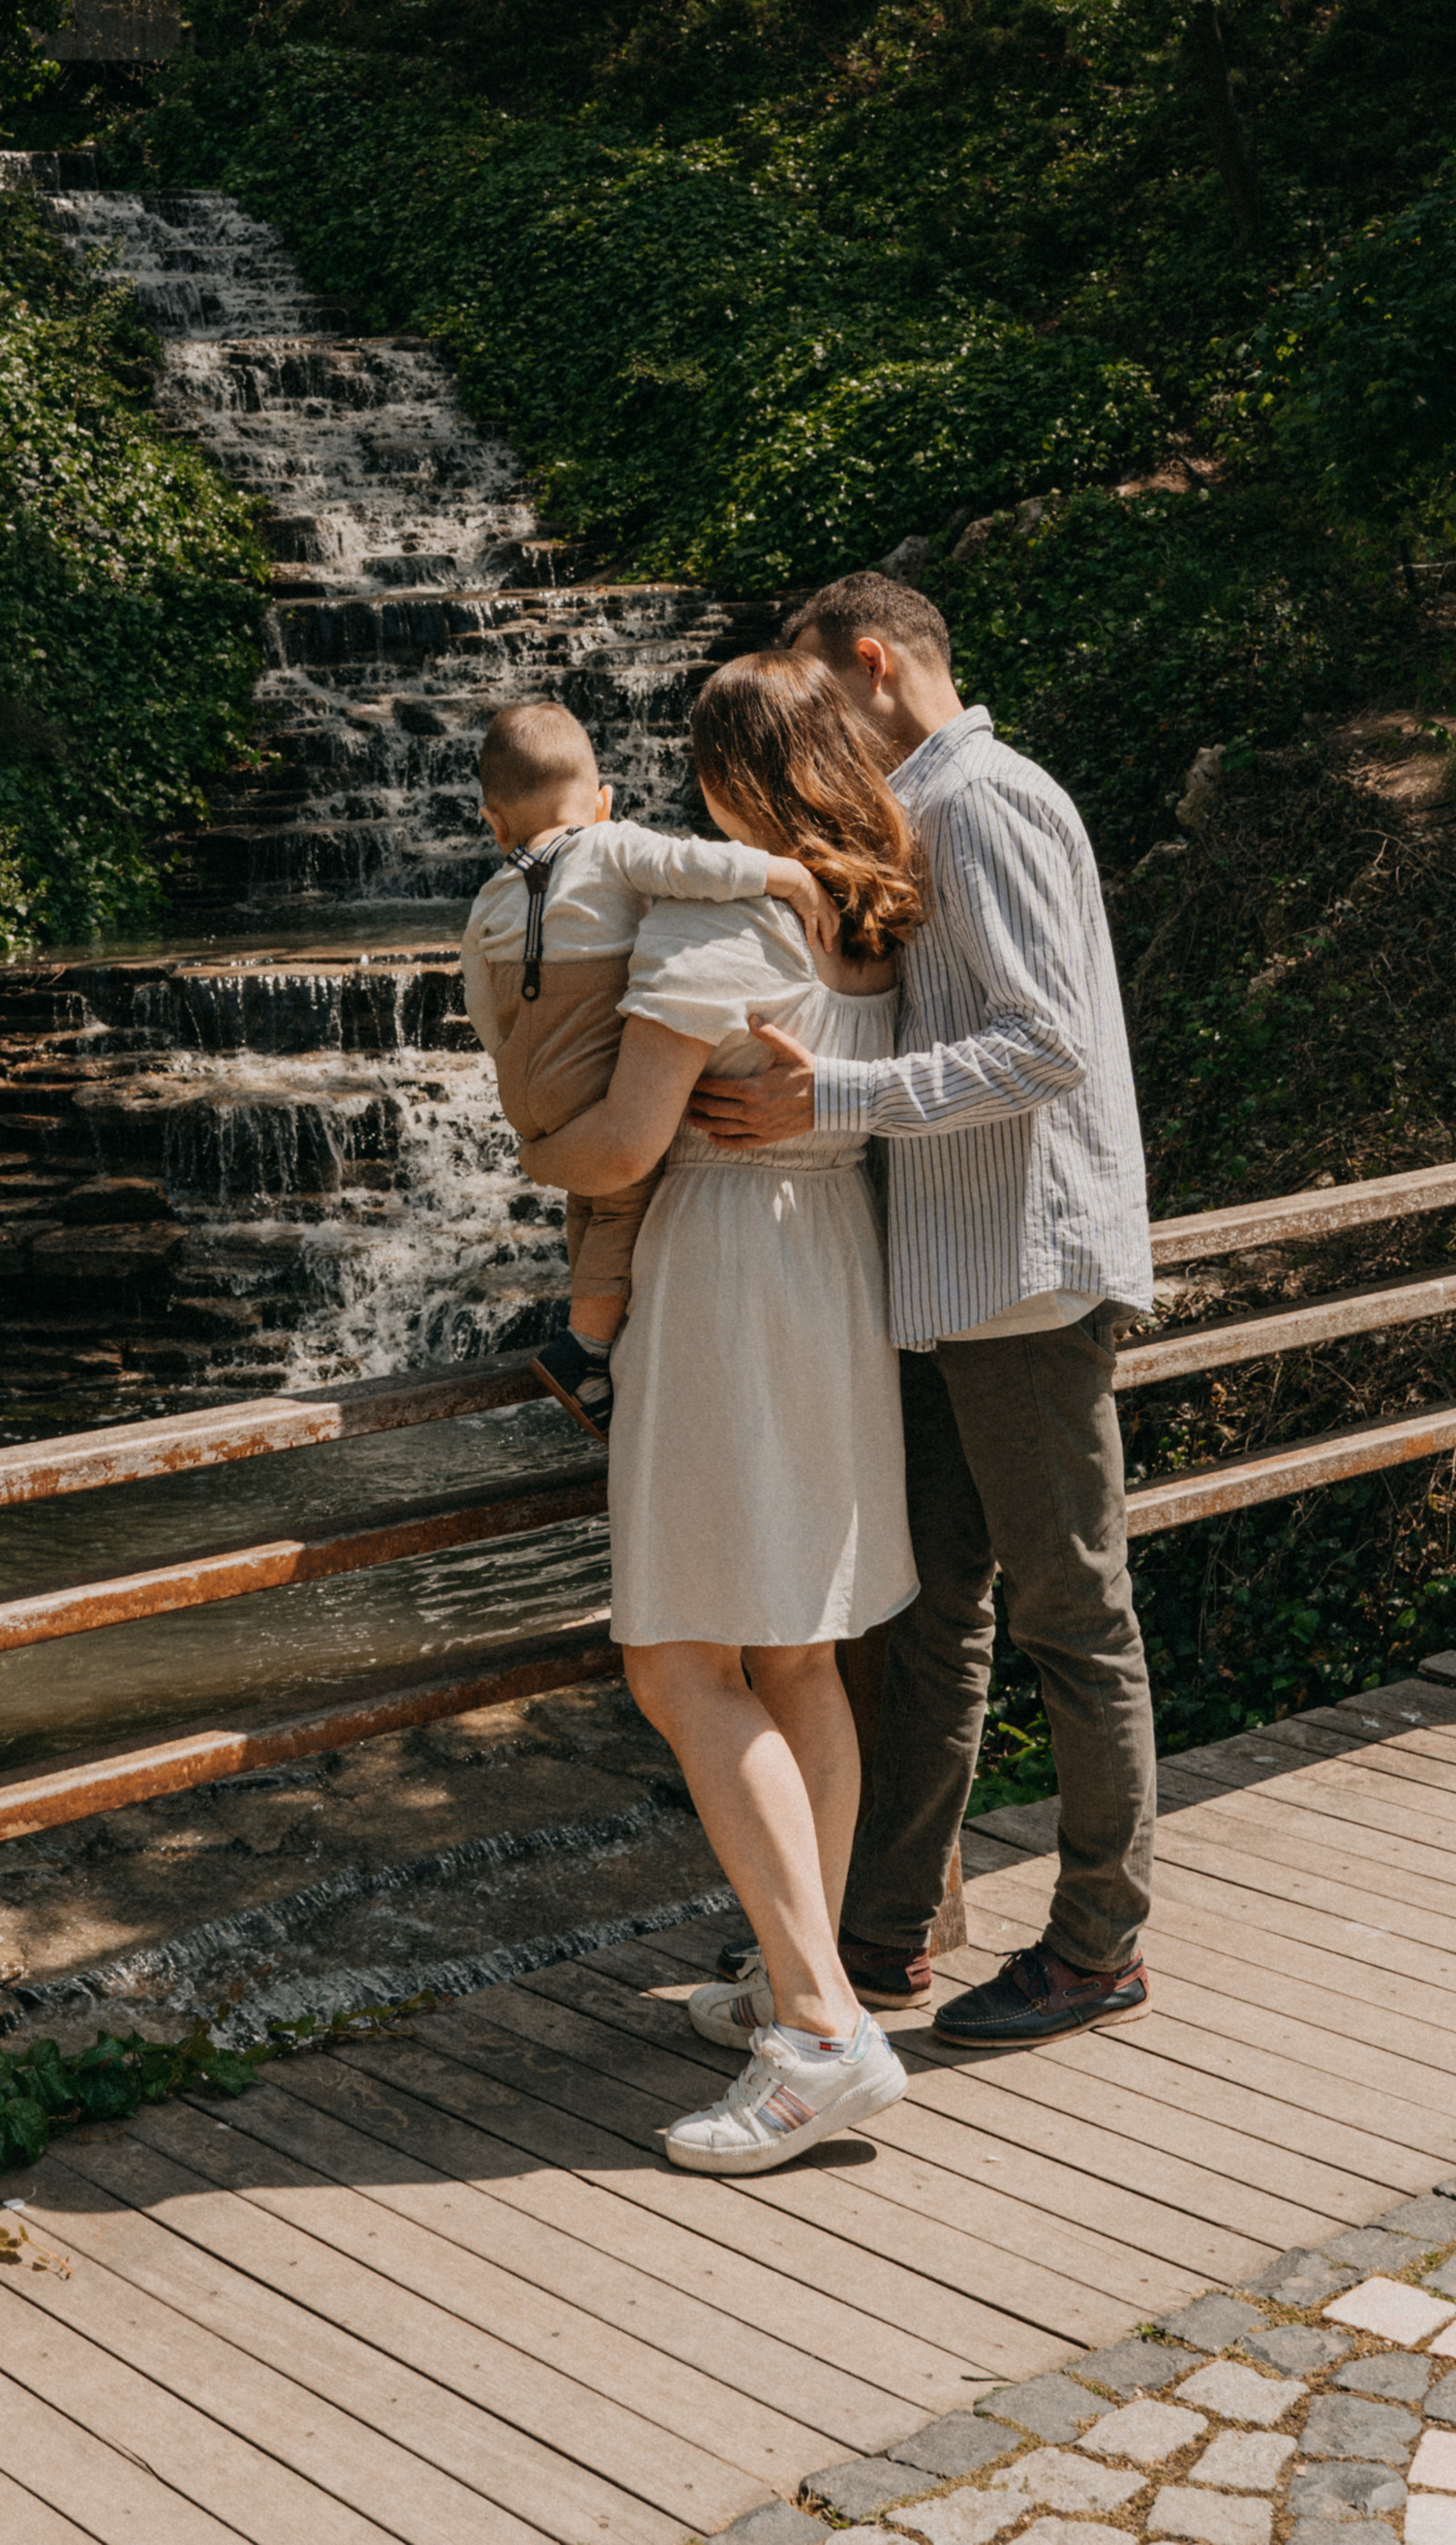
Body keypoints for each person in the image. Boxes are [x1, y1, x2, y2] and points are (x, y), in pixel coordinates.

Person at [687, 568, 1158, 2055]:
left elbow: (1047, 1045)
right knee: (931, 1619)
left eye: (818, 690)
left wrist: (834, 1097)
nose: (810, 726)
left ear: (875, 663)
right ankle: (881, 1941)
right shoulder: (920, 814)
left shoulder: (986, 803)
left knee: (1073, 1615)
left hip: (1026, 1270)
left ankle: (1099, 1945)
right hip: (950, 1281)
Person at [517, 652, 923, 2174]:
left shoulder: (718, 914)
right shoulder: (873, 915)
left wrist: (538, 1145)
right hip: (831, 1265)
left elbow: (626, 1147)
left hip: (726, 1275)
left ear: (727, 781)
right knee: (796, 1651)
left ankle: (820, 2033)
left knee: (682, 1660)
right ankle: (789, 1972)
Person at [463, 695, 839, 1439]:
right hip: (586, 1070)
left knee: (589, 1195)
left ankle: (590, 1320)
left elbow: (479, 1000)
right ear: (602, 802)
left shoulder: (491, 895)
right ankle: (586, 1348)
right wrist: (791, 878)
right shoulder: (612, 847)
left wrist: (511, 1060)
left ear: (494, 823)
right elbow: (697, 865)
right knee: (623, 1195)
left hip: (525, 1079)